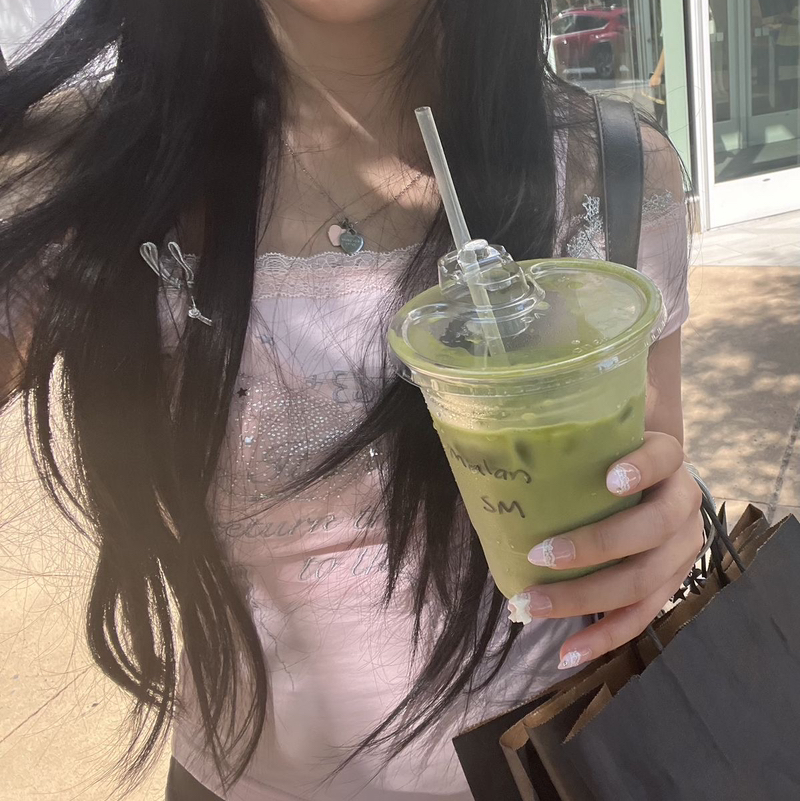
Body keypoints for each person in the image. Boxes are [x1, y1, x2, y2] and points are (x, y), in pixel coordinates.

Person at [0, 1, 702, 799]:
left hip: (547, 764)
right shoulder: (88, 170)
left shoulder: (614, 172)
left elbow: (648, 476)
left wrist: (663, 528)